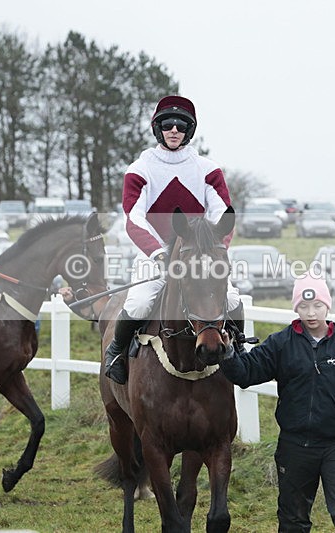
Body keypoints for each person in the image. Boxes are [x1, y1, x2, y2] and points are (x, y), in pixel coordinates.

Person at [219, 270, 335, 533]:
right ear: (296, 308)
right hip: (294, 446)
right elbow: (245, 374)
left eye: (317, 306)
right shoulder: (280, 344)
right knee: (293, 523)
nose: (311, 313)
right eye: (304, 306)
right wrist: (229, 353)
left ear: (327, 305)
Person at [103, 95, 242, 385]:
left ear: (189, 130)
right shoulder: (140, 169)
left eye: (181, 124)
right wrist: (158, 254)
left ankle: (238, 349)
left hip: (199, 255)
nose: (174, 130)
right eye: (168, 124)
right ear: (159, 129)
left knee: (231, 297)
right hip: (155, 255)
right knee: (140, 302)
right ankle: (116, 352)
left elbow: (223, 213)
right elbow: (134, 218)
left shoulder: (207, 169)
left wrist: (215, 251)